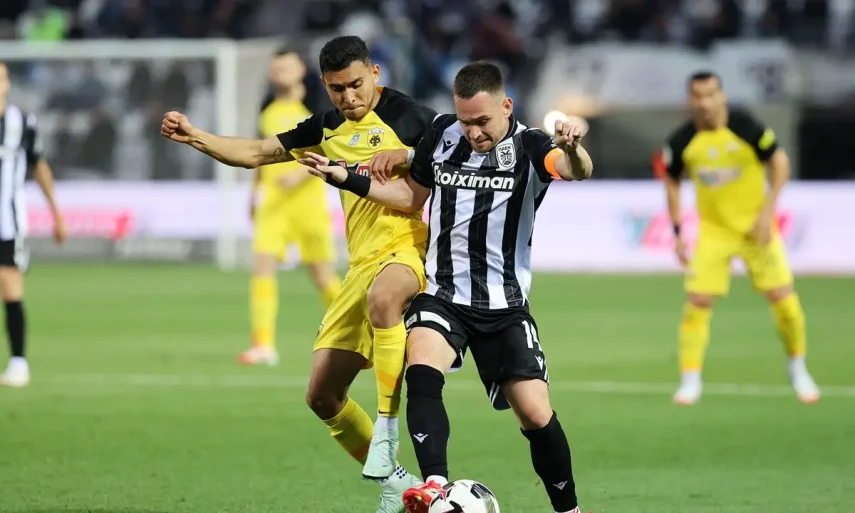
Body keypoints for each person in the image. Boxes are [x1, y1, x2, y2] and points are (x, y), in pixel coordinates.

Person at [300, 61, 592, 513]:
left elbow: (575, 170)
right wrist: (346, 178)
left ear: (506, 106)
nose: (473, 132)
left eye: (482, 121)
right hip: (443, 295)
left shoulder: (532, 145)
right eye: (465, 121)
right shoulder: (441, 133)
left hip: (504, 303)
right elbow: (409, 197)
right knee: (422, 366)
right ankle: (435, 485)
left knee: (535, 413)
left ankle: (569, 510)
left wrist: (572, 147)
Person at [160, 36, 435, 512]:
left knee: (385, 298)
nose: (348, 97)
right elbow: (256, 152)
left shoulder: (412, 118)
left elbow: (452, 158)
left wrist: (409, 157)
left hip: (406, 248)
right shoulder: (326, 126)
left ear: (374, 73)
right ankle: (396, 482)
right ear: (324, 86)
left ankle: (388, 427)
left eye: (355, 85)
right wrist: (196, 136)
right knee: (322, 396)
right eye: (336, 89)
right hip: (360, 264)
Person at [653, 71, 820, 405]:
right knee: (697, 303)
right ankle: (690, 380)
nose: (705, 102)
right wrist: (678, 231)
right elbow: (671, 182)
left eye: (711, 94)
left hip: (756, 230)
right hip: (714, 232)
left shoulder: (746, 127)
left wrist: (767, 213)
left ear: (722, 96)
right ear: (690, 100)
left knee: (784, 300)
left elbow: (780, 163)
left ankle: (798, 368)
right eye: (698, 96)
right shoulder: (681, 141)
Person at [242, 46, 342, 366]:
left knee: (322, 274)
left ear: (301, 69)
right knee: (262, 266)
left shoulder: (317, 106)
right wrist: (254, 192)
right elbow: (259, 151)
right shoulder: (267, 106)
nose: (280, 73)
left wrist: (299, 175)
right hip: (273, 204)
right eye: (276, 68)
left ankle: (358, 329)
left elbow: (331, 148)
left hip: (308, 203)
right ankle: (263, 344)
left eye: (286, 66)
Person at [0, 61, 67, 388]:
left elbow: (39, 166)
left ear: (8, 83)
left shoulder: (22, 122)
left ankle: (18, 363)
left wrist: (56, 212)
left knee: (10, 288)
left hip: (7, 221)